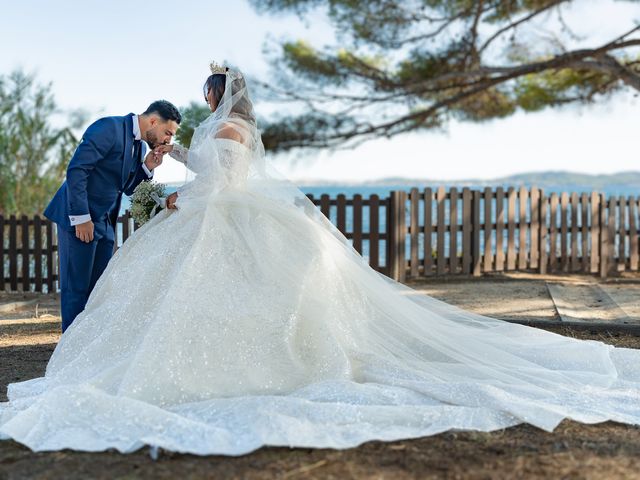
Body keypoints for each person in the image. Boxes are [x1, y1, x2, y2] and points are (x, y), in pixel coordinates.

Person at [1, 63, 638, 456]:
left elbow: (217, 185)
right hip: (199, 210)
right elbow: (185, 172)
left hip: (213, 214)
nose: (202, 103)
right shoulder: (221, 131)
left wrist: (170, 200)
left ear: (223, 96)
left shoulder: (223, 133)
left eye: (208, 91)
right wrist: (164, 186)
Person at [44, 101, 182, 331]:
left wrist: (147, 167)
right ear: (153, 121)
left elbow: (126, 187)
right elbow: (77, 170)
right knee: (76, 290)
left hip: (105, 224)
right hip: (79, 220)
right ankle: (68, 356)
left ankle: (86, 347)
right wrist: (81, 218)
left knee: (98, 291)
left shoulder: (139, 147)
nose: (168, 140)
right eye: (167, 132)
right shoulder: (108, 128)